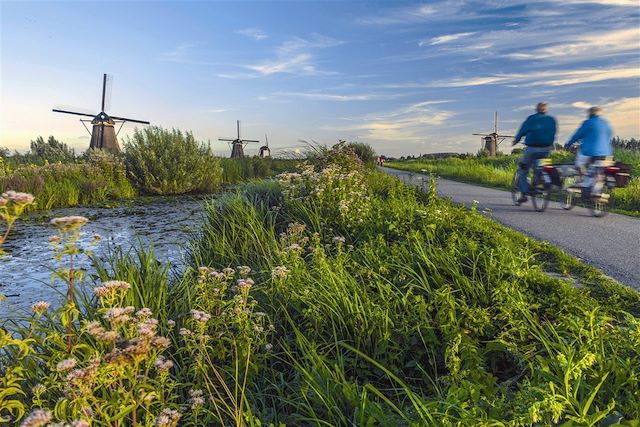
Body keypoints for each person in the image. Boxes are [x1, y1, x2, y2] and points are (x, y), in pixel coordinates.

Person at [512, 102, 557, 203]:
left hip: (532, 149)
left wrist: (516, 140)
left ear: (536, 109)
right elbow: (554, 133)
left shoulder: (531, 119)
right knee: (542, 167)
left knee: (523, 169)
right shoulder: (551, 120)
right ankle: (541, 180)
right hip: (546, 149)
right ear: (546, 110)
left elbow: (522, 131)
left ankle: (524, 194)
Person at [564, 106, 613, 178]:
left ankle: (582, 179)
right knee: (600, 168)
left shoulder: (588, 123)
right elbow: (609, 134)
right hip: (606, 152)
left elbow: (577, 135)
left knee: (578, 164)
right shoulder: (605, 123)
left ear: (590, 114)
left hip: (589, 152)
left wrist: (568, 144)